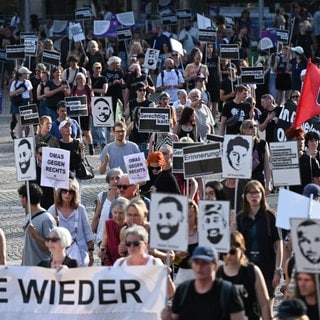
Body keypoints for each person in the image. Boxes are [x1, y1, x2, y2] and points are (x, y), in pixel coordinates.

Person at [161, 245, 245, 320]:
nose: (199, 267)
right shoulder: (183, 291)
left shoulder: (228, 292)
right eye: (196, 262)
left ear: (215, 265)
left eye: (204, 263)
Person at [237, 180, 283, 311]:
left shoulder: (271, 216)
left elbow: (279, 244)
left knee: (267, 310)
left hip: (267, 268)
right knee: (250, 311)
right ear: (245, 196)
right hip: (247, 268)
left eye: (257, 192)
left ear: (262, 194)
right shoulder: (240, 218)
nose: (254, 196)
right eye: (250, 193)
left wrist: (278, 271)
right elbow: (237, 246)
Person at [217, 231, 272, 320]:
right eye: (224, 252)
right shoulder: (218, 272)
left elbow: (264, 303)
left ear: (241, 249)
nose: (228, 256)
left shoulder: (252, 271)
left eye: (232, 252)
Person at [114, 225, 175, 298]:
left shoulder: (155, 263)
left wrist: (167, 276)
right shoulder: (119, 264)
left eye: (136, 244)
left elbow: (170, 293)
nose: (132, 247)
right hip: (127, 308)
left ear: (145, 244)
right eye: (128, 244)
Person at [48, 178, 95, 267]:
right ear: (60, 192)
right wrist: (53, 223)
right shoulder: (53, 210)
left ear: (75, 194)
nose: (67, 194)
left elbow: (88, 232)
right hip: (59, 252)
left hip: (79, 251)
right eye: (64, 191)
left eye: (71, 192)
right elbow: (48, 234)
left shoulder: (80, 209)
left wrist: (91, 253)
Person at [18, 183, 57, 266]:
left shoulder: (46, 219)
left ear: (25, 198)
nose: (20, 200)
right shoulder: (29, 217)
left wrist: (36, 236)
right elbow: (27, 245)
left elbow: (52, 247)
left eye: (21, 197)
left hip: (41, 270)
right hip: (27, 269)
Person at [91, 167, 122, 245]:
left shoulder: (125, 197)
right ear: (108, 181)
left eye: (118, 178)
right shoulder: (102, 196)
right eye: (112, 178)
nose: (115, 181)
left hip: (118, 239)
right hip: (102, 238)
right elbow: (96, 217)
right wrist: (90, 237)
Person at [240, 119, 272, 193]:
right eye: (250, 127)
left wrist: (268, 183)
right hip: (243, 181)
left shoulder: (262, 144)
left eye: (255, 126)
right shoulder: (238, 143)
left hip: (258, 181)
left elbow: (267, 166)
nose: (254, 128)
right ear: (244, 130)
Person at [286, 127, 320, 195]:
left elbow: (318, 186)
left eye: (302, 139)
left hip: (308, 200)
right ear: (290, 141)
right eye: (297, 139)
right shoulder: (286, 161)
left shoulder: (311, 160)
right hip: (291, 199)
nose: (301, 142)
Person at [174, 200, 199, 286]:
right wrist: (177, 255)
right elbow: (173, 261)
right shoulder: (177, 234)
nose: (188, 219)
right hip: (183, 276)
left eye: (190, 216)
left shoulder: (202, 233)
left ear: (196, 214)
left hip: (200, 274)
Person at [99, 197, 129, 266]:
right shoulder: (108, 224)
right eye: (115, 212)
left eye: (121, 213)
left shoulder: (131, 225)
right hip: (111, 263)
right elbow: (104, 244)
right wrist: (102, 251)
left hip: (127, 263)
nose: (117, 216)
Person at [71, 72, 95, 155]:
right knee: (77, 131)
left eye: (81, 78)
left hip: (86, 112)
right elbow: (71, 98)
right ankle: (79, 147)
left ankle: (90, 145)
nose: (79, 80)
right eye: (77, 78)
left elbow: (92, 98)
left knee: (86, 131)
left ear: (84, 79)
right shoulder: (74, 88)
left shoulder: (87, 88)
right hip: (76, 112)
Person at [9, 67, 33, 138]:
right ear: (21, 75)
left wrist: (31, 102)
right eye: (26, 74)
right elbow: (11, 94)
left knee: (27, 123)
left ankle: (26, 138)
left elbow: (30, 93)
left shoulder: (28, 82)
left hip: (26, 102)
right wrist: (18, 91)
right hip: (18, 103)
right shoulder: (14, 82)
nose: (28, 75)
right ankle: (20, 139)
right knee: (20, 122)